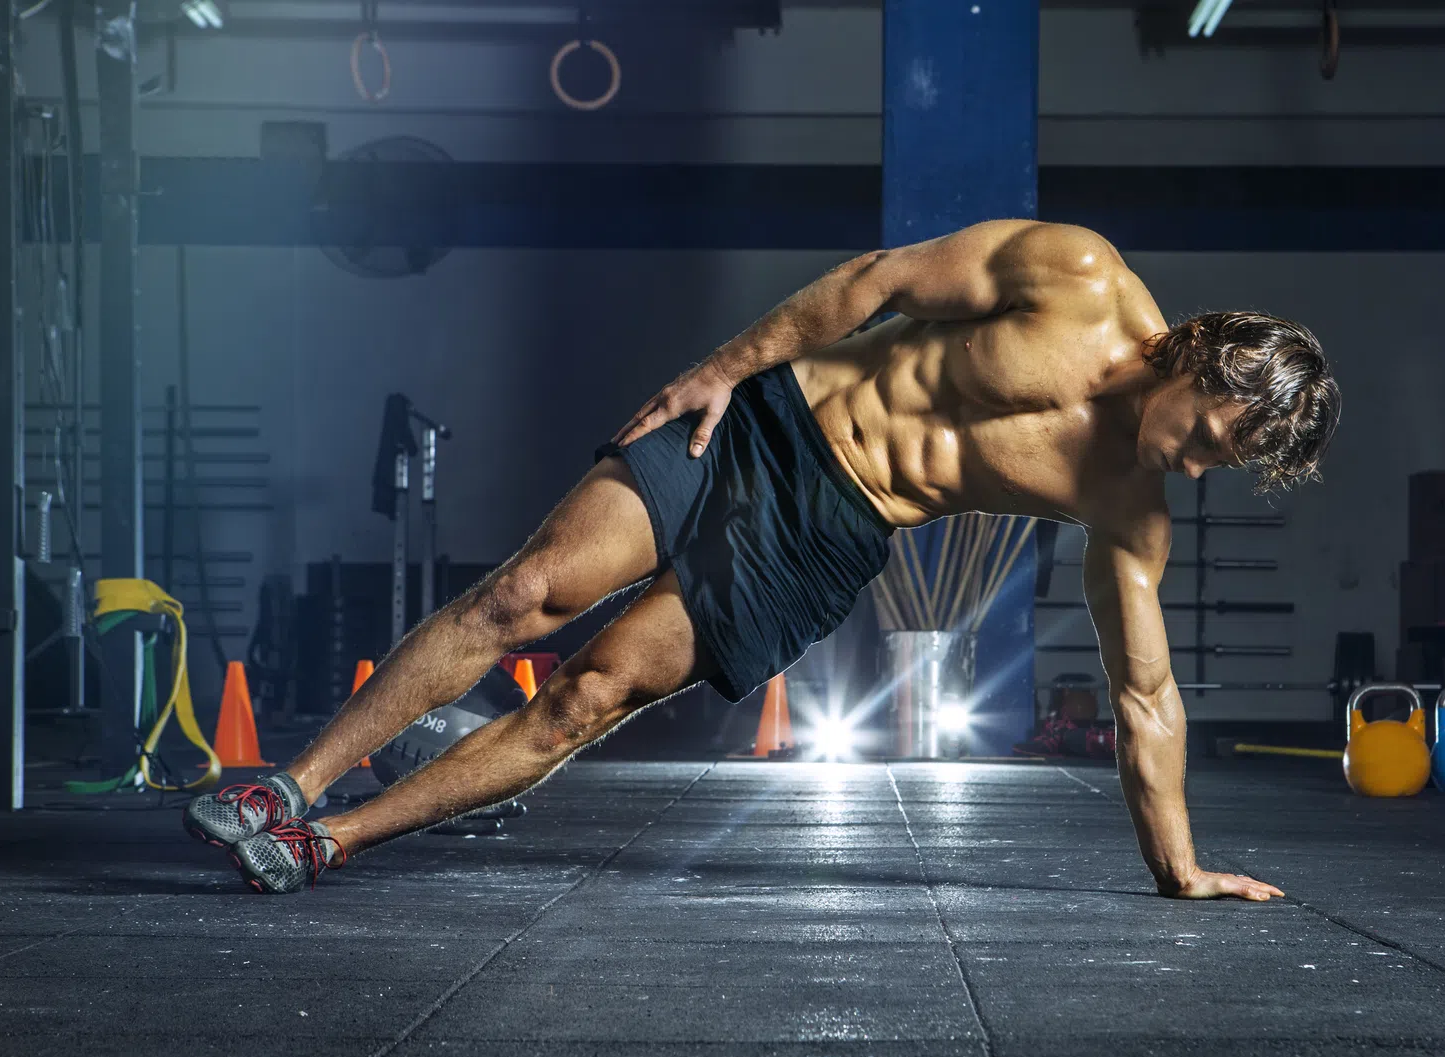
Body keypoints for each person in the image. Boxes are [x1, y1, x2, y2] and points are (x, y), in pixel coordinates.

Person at [184, 219, 1340, 899]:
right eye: (1211, 436)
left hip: (828, 536)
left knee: (585, 700)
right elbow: (879, 280)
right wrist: (723, 368)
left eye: (1223, 466)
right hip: (768, 425)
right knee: (524, 595)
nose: (1196, 465)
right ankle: (293, 782)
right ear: (1208, 364)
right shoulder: (1076, 278)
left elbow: (1146, 697)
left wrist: (1179, 866)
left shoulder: (1129, 507)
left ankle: (320, 841)